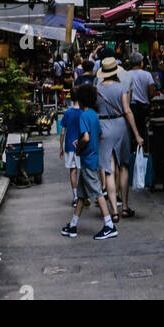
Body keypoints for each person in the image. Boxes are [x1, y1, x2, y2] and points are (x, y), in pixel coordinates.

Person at [61, 85, 117, 241]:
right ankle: (73, 225)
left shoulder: (84, 116)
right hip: (93, 157)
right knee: (81, 195)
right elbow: (98, 136)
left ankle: (109, 225)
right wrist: (85, 144)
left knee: (97, 193)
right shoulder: (94, 115)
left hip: (87, 159)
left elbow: (85, 137)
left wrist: (78, 147)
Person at [96, 56, 144, 222]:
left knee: (108, 169)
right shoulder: (121, 86)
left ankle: (113, 211)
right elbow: (127, 110)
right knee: (123, 166)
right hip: (120, 125)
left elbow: (94, 111)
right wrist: (137, 134)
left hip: (103, 126)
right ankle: (124, 207)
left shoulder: (97, 88)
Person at [127, 52, 157, 153]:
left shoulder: (125, 75)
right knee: (143, 131)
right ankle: (143, 153)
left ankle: (132, 153)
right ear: (140, 62)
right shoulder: (147, 74)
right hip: (144, 108)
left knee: (131, 132)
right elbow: (152, 93)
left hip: (130, 109)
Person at [59, 92, 84, 207]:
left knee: (73, 171)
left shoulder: (67, 113)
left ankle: (75, 197)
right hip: (81, 145)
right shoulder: (83, 112)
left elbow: (62, 131)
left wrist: (61, 147)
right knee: (83, 170)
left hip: (69, 146)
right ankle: (83, 195)